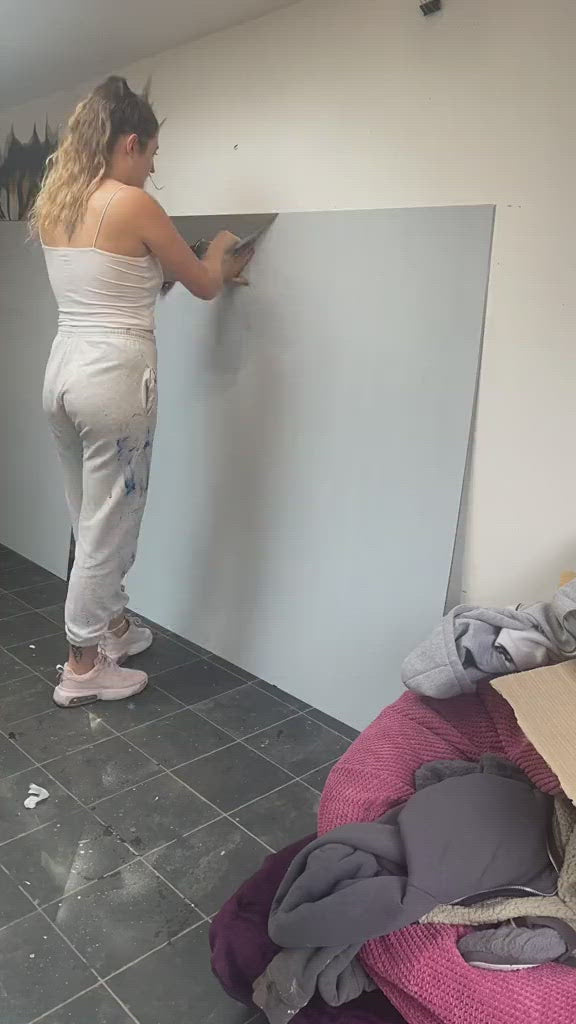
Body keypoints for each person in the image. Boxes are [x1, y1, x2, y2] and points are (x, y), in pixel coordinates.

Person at [30, 76, 253, 708]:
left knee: (87, 513)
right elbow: (204, 283)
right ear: (130, 142)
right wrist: (223, 250)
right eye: (152, 153)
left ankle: (114, 628)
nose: (153, 167)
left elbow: (123, 279)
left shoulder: (58, 200)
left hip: (63, 370)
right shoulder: (131, 203)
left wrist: (188, 265)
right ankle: (83, 666)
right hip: (114, 379)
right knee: (112, 524)